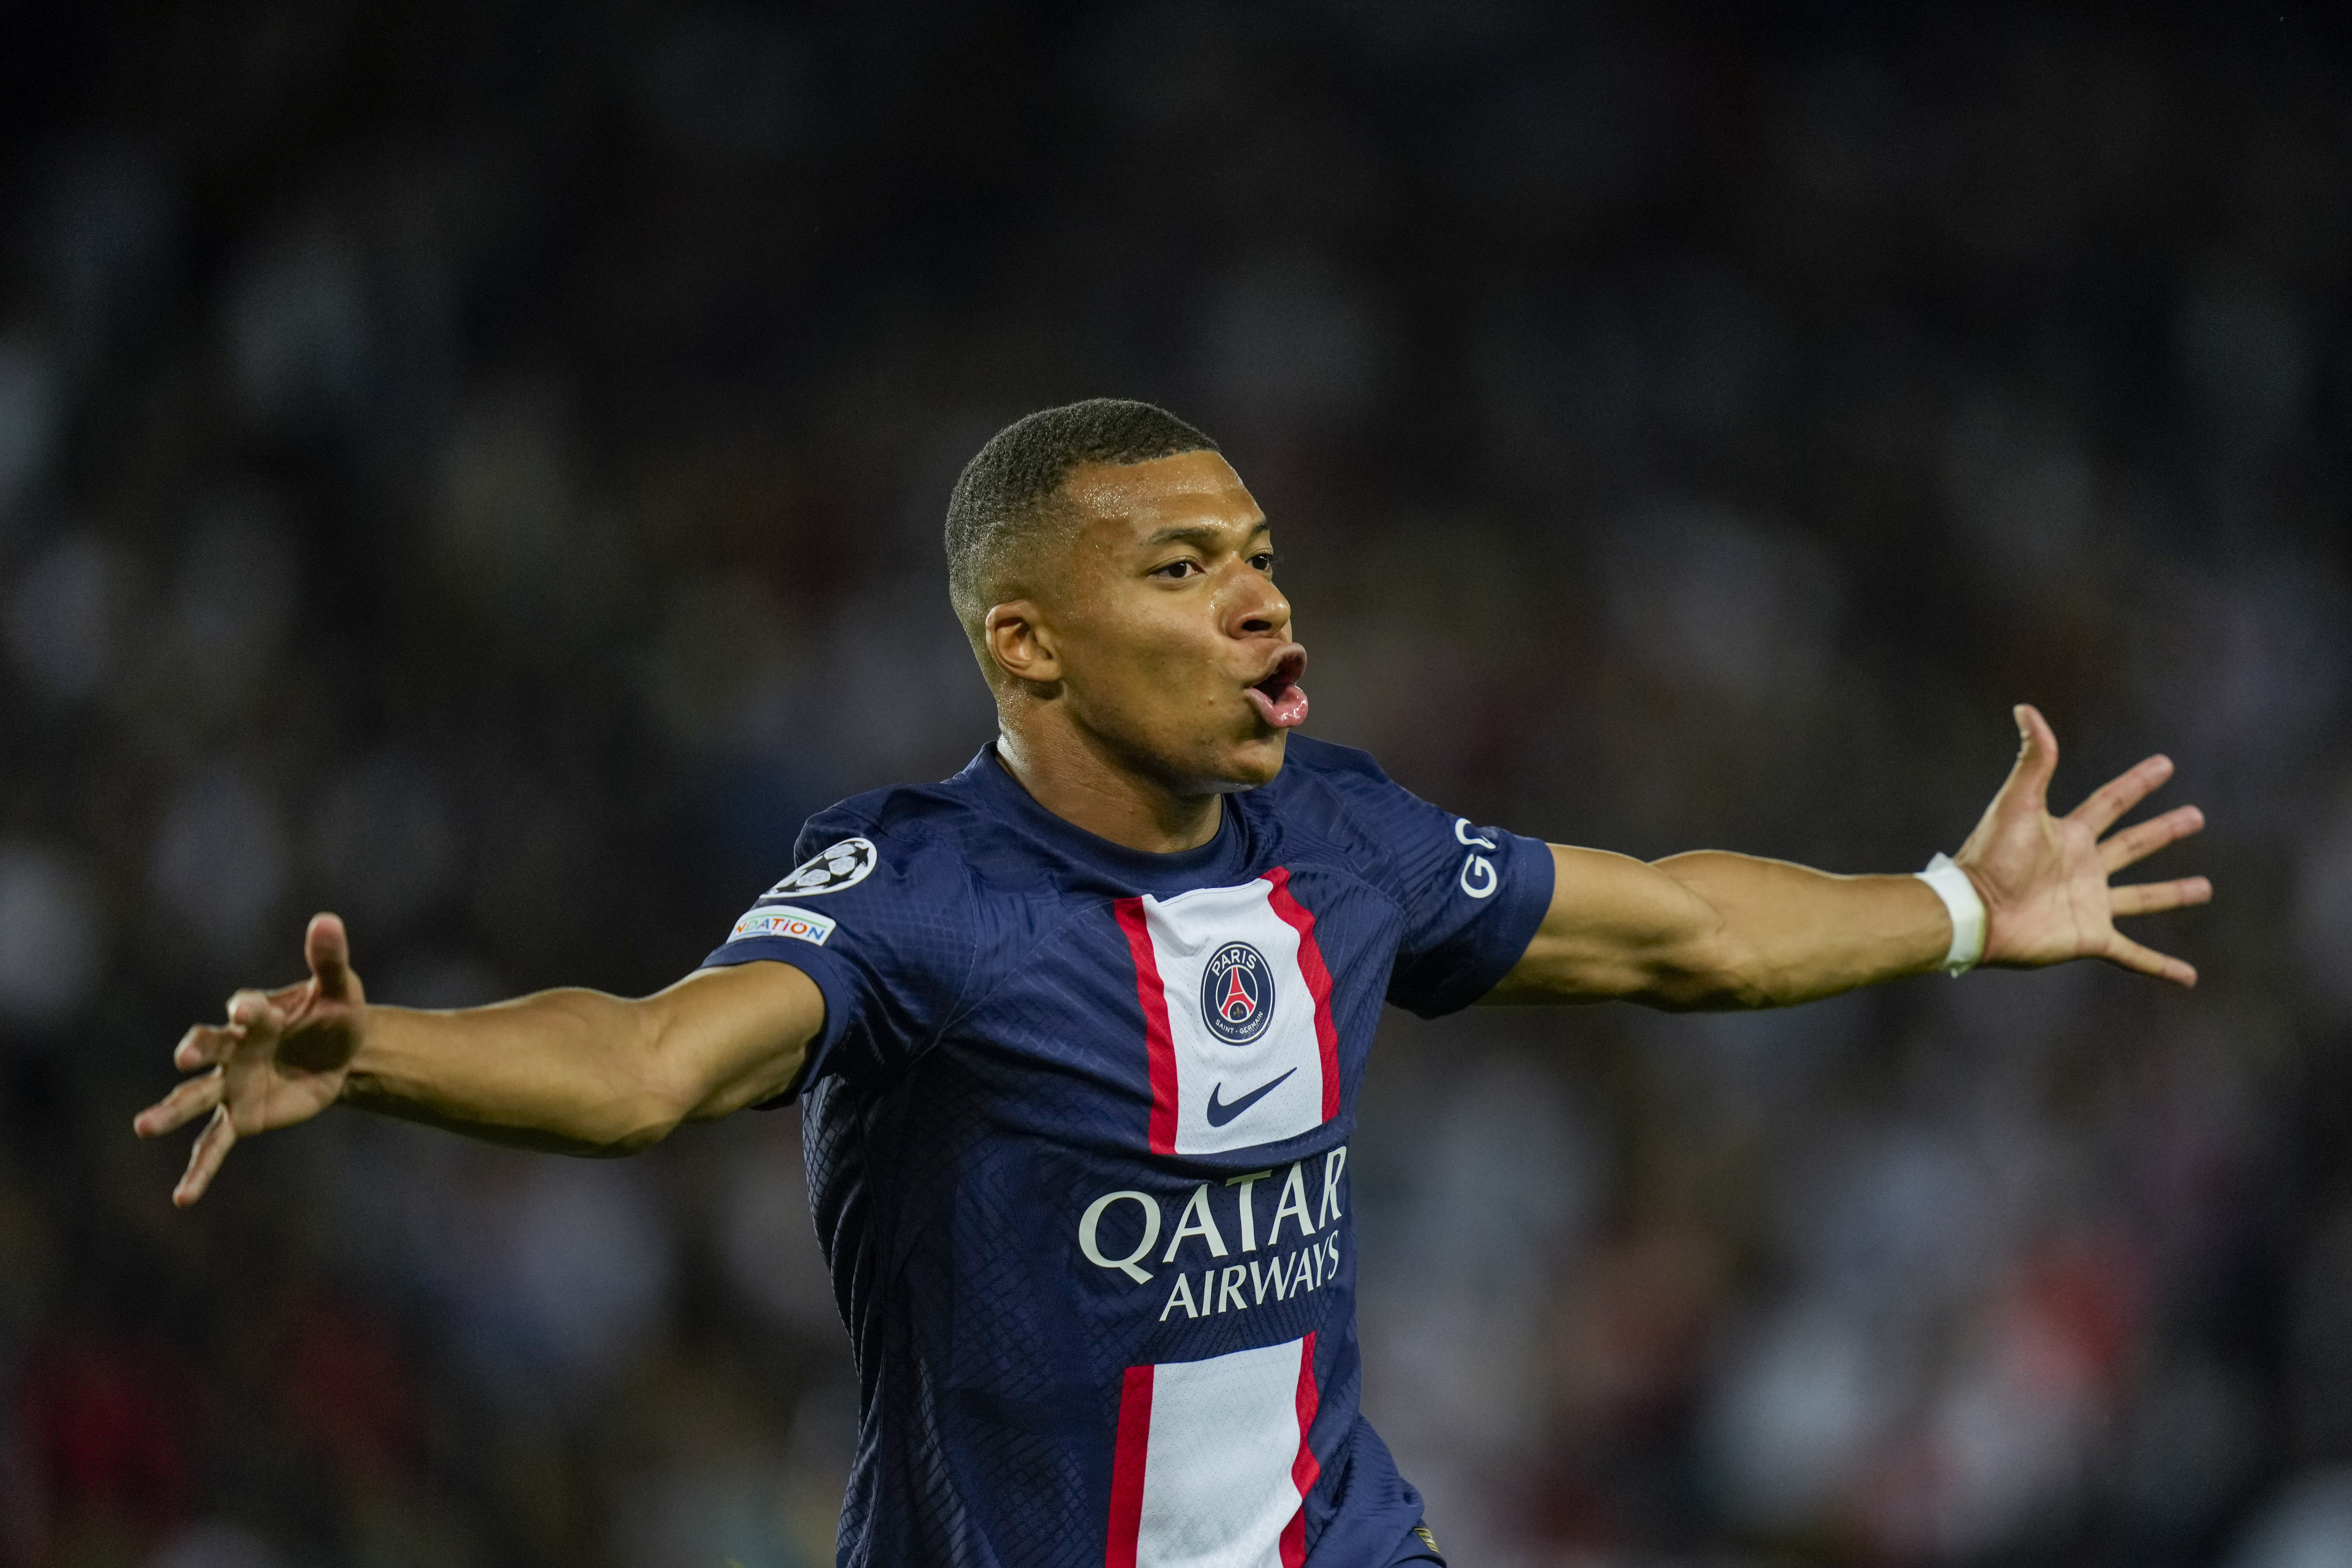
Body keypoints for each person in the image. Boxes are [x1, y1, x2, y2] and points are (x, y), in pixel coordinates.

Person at [134, 399, 2210, 1567]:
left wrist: (1954, 900)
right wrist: (380, 1054)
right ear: (1025, 646)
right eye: (1181, 566)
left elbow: (1680, 929)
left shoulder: (1346, 842)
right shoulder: (921, 893)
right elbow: (654, 1061)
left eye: (1260, 551)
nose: (1259, 597)